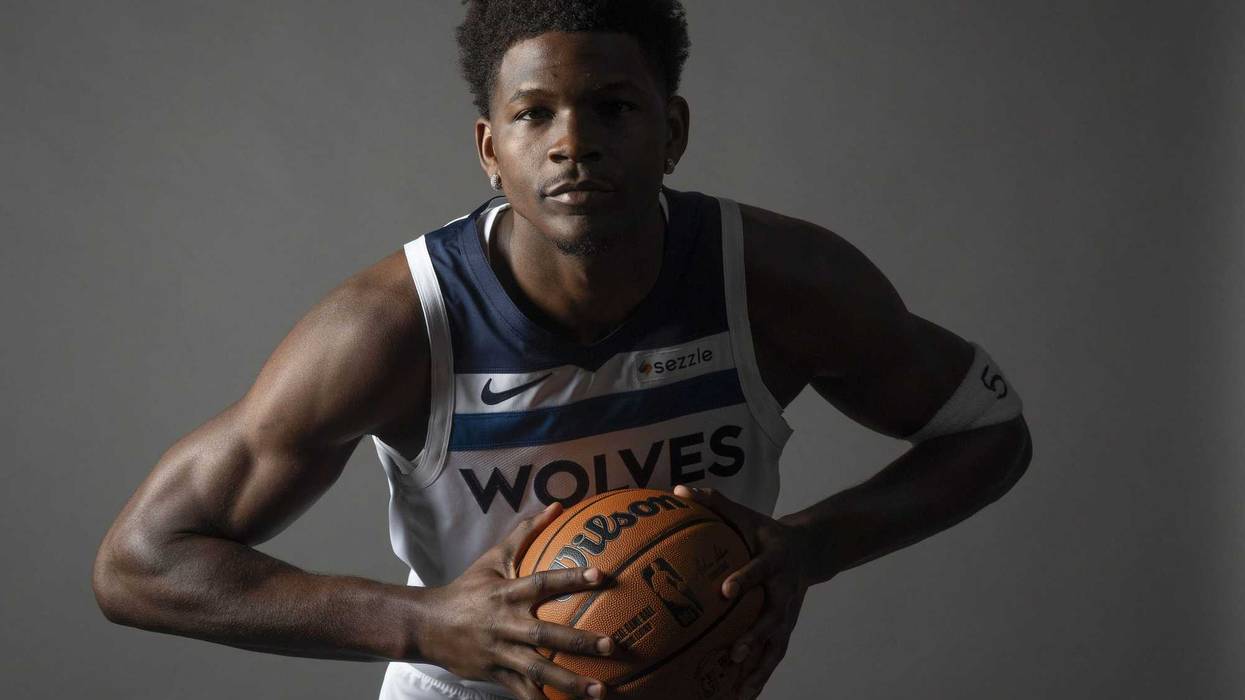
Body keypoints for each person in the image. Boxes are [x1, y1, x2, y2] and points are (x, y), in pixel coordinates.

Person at [92, 2, 1033, 699]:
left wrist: (810, 549)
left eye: (613, 108)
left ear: (672, 131)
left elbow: (988, 433)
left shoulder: (775, 280)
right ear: (489, 147)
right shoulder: (391, 327)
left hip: (683, 678)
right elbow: (140, 563)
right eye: (534, 114)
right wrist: (418, 622)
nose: (572, 144)